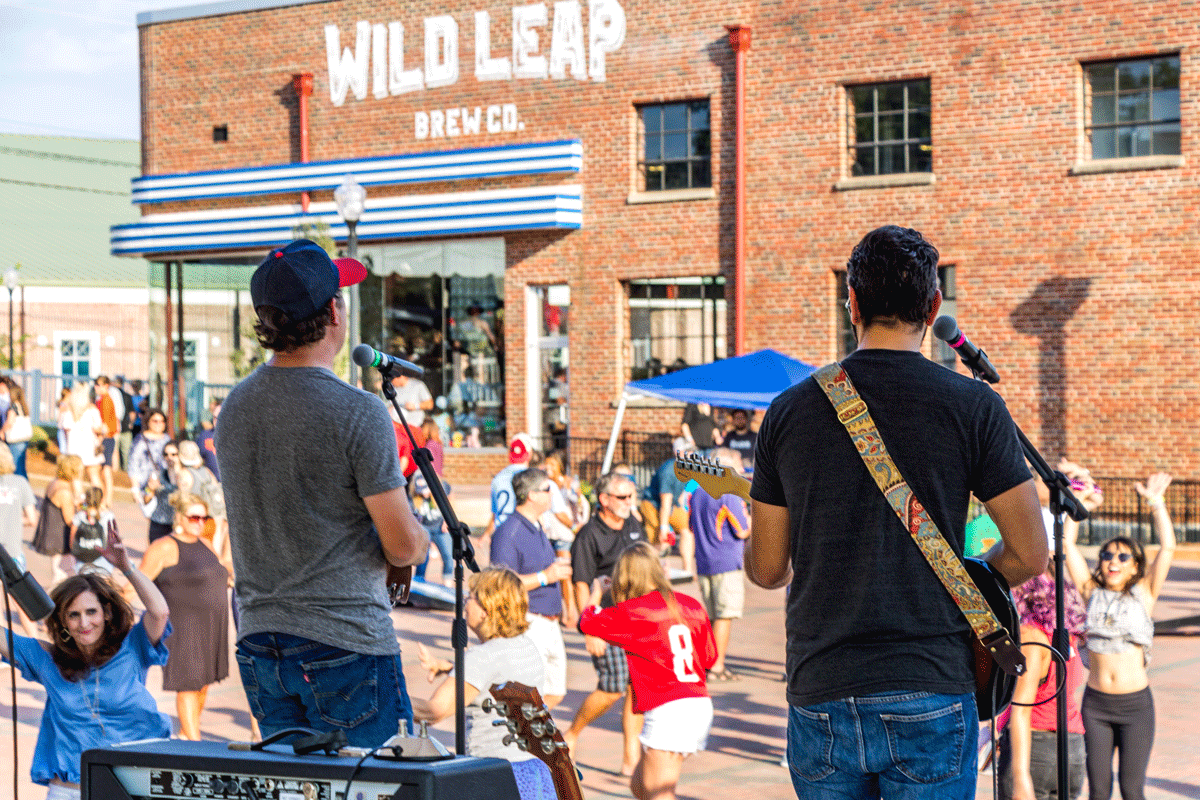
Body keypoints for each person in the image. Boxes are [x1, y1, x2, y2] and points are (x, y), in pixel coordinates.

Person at [747, 225, 1047, 800]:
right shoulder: (974, 405)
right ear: (933, 308)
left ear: (852, 304)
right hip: (931, 682)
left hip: (822, 688)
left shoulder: (788, 412)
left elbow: (767, 571)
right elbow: (1030, 552)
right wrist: (966, 581)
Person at [216, 238, 428, 747]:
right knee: (371, 784)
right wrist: (418, 544)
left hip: (261, 640)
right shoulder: (358, 410)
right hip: (344, 642)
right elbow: (402, 545)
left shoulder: (235, 407)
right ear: (334, 310)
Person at [0, 530, 171, 800]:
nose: (84, 623)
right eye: (74, 615)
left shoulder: (132, 647)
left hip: (128, 787)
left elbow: (160, 612)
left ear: (106, 613)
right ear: (63, 621)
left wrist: (126, 567)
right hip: (68, 792)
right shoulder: (47, 659)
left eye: (91, 612)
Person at [1062, 468, 1176, 800]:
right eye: (1108, 555)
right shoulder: (1090, 591)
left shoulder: (1145, 593)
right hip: (1095, 705)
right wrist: (1078, 504)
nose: (1113, 560)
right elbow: (1067, 543)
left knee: (1131, 789)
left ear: (1135, 565)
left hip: (1136, 706)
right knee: (1098, 791)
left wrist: (1156, 503)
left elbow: (1167, 548)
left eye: (1123, 556)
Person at [579, 542, 717, 800]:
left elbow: (588, 621)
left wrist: (596, 592)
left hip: (669, 709)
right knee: (639, 786)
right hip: (697, 703)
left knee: (658, 795)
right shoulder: (690, 605)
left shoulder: (635, 612)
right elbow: (710, 657)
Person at [412, 567, 556, 800]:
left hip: (498, 776)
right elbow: (497, 675)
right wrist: (450, 667)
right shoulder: (525, 645)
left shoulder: (482, 658)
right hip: (536, 773)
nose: (466, 603)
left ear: (486, 609)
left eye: (471, 597)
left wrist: (390, 698)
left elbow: (434, 712)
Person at [564, 471, 647, 776]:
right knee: (612, 689)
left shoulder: (634, 525)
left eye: (632, 496)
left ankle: (630, 757)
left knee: (638, 688)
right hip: (607, 622)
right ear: (605, 500)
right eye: (624, 497)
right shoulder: (588, 535)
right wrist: (590, 629)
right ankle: (571, 733)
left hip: (637, 620)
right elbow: (581, 584)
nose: (630, 503)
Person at [136, 491, 230, 740]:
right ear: (180, 517)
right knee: (188, 684)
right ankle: (195, 744)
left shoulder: (206, 544)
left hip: (211, 626)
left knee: (202, 683)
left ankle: (186, 735)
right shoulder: (165, 546)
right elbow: (137, 582)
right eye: (194, 518)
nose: (200, 523)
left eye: (204, 518)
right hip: (183, 626)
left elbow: (221, 573)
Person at [996, 555, 1090, 800]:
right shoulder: (1064, 637)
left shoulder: (1032, 639)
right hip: (1072, 747)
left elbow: (1022, 711)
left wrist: (1020, 775)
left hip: (1036, 748)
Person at [490, 468, 572, 707]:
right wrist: (546, 576)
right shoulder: (509, 531)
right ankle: (523, 738)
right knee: (528, 694)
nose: (551, 494)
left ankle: (530, 734)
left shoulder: (536, 526)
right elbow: (501, 583)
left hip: (550, 621)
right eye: (547, 489)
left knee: (555, 692)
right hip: (529, 621)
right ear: (532, 495)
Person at [689, 447, 751, 682]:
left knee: (714, 616)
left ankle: (711, 662)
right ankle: (717, 666)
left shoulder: (697, 491)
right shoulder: (728, 492)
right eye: (738, 465)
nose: (743, 471)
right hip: (725, 560)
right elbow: (743, 530)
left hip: (704, 560)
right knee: (724, 616)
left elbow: (691, 526)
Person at [0, 446, 39, 637]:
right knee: (21, 603)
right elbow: (32, 519)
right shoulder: (20, 482)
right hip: (13, 552)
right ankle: (36, 643)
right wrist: (14, 517)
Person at [32, 454, 87, 584]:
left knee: (59, 574)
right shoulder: (64, 492)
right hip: (60, 539)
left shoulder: (55, 483)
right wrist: (84, 507)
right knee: (62, 576)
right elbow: (70, 520)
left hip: (52, 534)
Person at [639, 449, 695, 570]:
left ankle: (688, 570)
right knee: (659, 539)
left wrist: (683, 510)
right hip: (652, 503)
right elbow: (665, 502)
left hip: (671, 504)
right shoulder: (669, 471)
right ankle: (654, 572)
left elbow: (681, 492)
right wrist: (664, 528)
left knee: (687, 531)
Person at [59, 382, 105, 497]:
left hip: (74, 448)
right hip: (90, 447)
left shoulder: (68, 411)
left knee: (76, 479)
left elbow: (65, 430)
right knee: (94, 477)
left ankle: (79, 503)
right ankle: (98, 503)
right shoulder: (92, 410)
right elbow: (98, 429)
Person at [489, 432, 536, 531]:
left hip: (501, 532)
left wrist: (486, 535)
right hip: (523, 532)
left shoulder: (497, 478)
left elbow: (495, 513)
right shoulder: (532, 478)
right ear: (530, 454)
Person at [138, 440, 181, 543]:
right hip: (159, 523)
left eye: (173, 454)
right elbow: (146, 499)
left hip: (177, 524)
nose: (169, 457)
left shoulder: (186, 476)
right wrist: (151, 489)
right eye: (166, 454)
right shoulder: (158, 475)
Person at [94, 376, 120, 505]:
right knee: (104, 470)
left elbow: (105, 425)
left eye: (99, 385)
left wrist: (95, 430)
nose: (96, 387)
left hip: (106, 438)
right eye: (96, 385)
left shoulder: (105, 400)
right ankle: (106, 498)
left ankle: (107, 499)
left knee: (106, 470)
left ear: (106, 386)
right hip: (106, 438)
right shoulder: (101, 400)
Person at [3, 377, 32, 478]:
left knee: (16, 468)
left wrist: (2, 431)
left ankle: (20, 490)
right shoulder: (23, 406)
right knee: (22, 467)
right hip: (24, 440)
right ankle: (26, 489)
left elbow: (10, 422)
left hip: (15, 440)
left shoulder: (13, 406)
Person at [195, 398, 221, 480]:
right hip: (211, 484)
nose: (217, 421)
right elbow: (197, 461)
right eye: (215, 418)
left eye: (220, 417)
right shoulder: (204, 435)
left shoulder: (236, 437)